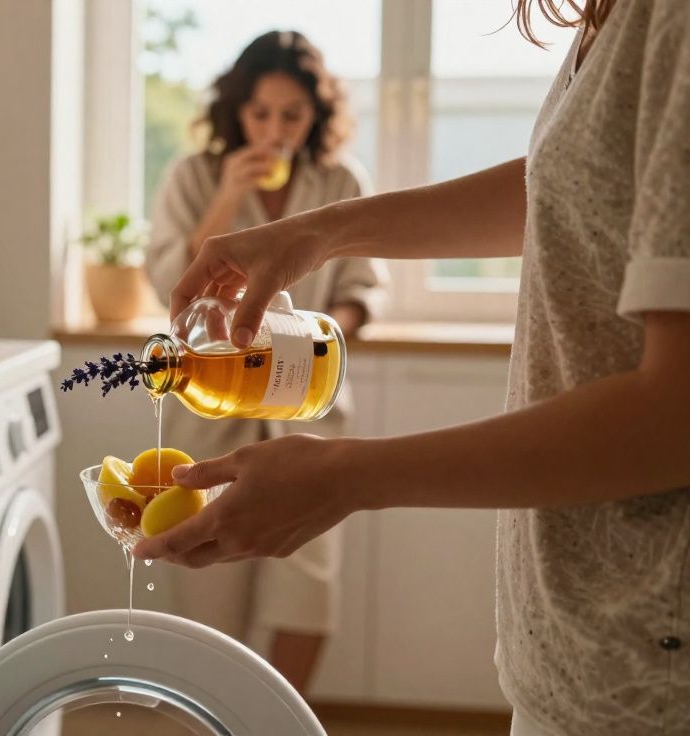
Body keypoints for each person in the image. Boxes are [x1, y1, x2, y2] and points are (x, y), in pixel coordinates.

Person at [134, 1, 690, 734]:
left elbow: (673, 413)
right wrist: (320, 232)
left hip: (650, 654)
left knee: (305, 597)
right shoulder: (611, 25)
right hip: (569, 642)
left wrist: (346, 476)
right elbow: (564, 188)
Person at [145, 29, 387, 694]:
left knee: (310, 595)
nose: (275, 131)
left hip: (308, 405)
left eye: (292, 115)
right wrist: (227, 196)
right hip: (210, 410)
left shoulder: (341, 182)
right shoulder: (193, 175)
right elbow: (168, 280)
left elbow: (363, 290)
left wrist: (310, 340)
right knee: (208, 596)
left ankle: (273, 721)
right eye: (261, 113)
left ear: (316, 117)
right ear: (236, 110)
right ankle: (216, 719)